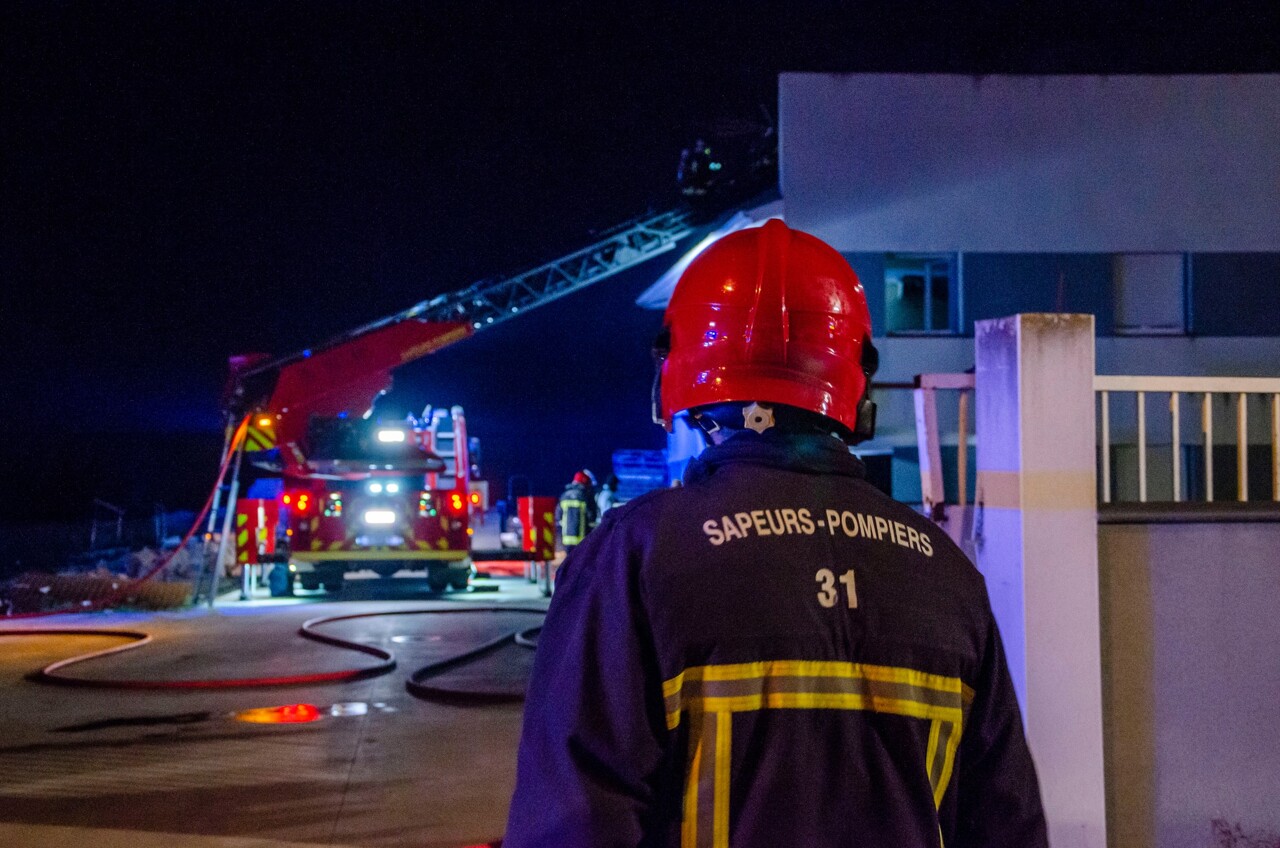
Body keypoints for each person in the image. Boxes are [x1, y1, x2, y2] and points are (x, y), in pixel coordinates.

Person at [504, 220, 1047, 847]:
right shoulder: (947, 574)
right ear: (855, 380)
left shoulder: (635, 558)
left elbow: (572, 822)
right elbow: (1008, 827)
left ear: (679, 377)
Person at [555, 470, 597, 553]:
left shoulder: (564, 496)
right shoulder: (585, 496)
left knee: (570, 560)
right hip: (582, 539)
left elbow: (558, 516)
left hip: (566, 539)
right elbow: (591, 517)